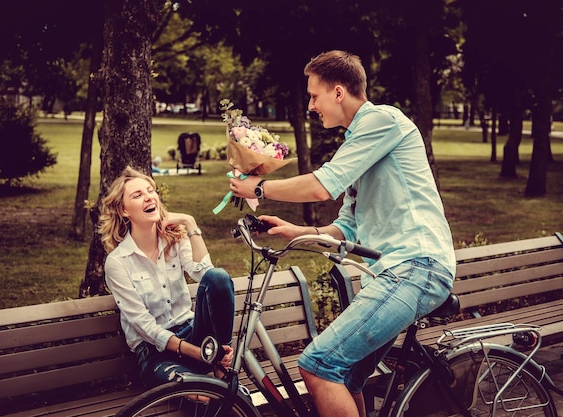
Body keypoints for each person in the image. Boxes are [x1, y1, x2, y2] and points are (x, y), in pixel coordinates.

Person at [229, 50, 456, 417]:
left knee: (318, 365)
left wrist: (258, 188)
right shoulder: (359, 143)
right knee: (346, 376)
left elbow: (323, 186)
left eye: (314, 96)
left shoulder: (381, 120)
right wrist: (298, 231)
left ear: (338, 92)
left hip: (416, 266)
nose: (311, 105)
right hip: (395, 272)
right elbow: (346, 227)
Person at [100, 166, 234, 388]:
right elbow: (144, 326)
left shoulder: (175, 239)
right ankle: (216, 379)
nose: (149, 197)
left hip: (194, 335)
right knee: (199, 395)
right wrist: (200, 354)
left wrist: (190, 223)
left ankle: (222, 370)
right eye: (138, 195)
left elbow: (205, 275)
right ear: (124, 211)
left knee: (218, 277)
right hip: (155, 353)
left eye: (151, 191)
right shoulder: (118, 263)